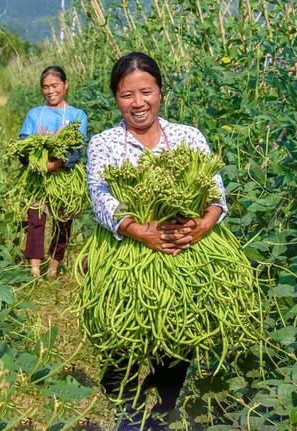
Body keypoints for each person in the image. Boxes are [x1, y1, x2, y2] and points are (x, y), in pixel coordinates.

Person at [86, 52, 227, 430]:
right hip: (127, 258)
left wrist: (203, 225)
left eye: (145, 92)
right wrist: (139, 229)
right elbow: (101, 199)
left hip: (187, 253)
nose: (137, 103)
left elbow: (216, 195)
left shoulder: (188, 136)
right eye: (126, 95)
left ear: (160, 92)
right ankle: (127, 414)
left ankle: (162, 413)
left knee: (177, 342)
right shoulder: (104, 143)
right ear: (115, 98)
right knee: (122, 345)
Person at [19, 66, 88, 278]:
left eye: (54, 85)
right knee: (35, 221)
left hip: (65, 180)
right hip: (38, 178)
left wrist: (56, 163)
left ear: (65, 85)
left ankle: (53, 266)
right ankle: (35, 268)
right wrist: (34, 160)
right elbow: (23, 143)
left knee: (63, 223)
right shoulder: (35, 114)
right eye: (45, 87)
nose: (50, 91)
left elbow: (77, 150)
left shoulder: (77, 115)